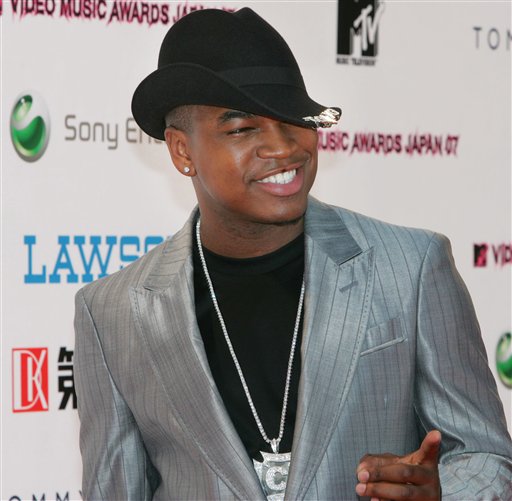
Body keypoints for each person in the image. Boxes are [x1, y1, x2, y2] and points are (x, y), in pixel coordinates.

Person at [74, 7, 512, 501]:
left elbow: (486, 458)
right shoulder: (112, 312)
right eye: (242, 129)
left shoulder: (411, 268)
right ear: (182, 151)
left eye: (294, 120)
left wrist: (442, 494)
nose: (284, 147)